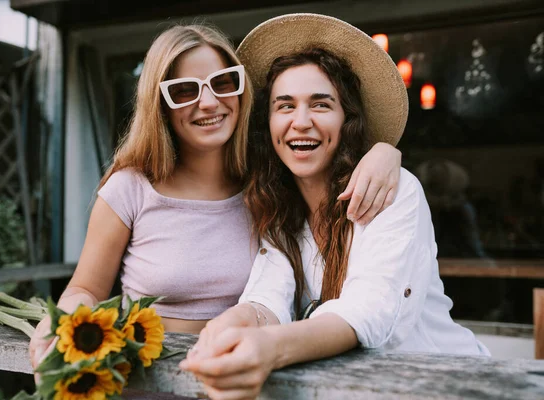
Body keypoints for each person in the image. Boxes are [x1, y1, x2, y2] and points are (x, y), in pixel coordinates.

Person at [28, 23, 403, 370]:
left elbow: (322, 154)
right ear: (160, 104)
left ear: (241, 92)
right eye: (185, 90)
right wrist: (63, 320)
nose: (208, 103)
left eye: (223, 83)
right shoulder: (130, 188)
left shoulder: (269, 180)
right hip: (151, 379)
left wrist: (385, 152)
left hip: (247, 378)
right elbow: (85, 288)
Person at [181, 14, 490, 400]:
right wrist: (229, 325)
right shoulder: (279, 205)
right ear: (268, 123)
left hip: (450, 386)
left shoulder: (394, 191)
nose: (302, 122)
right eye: (285, 106)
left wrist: (271, 347)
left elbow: (366, 313)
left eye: (321, 105)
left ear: (348, 120)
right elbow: (267, 297)